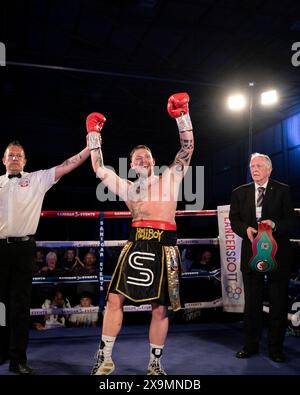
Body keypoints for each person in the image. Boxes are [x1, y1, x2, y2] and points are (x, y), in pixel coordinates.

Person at [87, 92, 194, 375]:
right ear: (132, 164)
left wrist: (183, 116)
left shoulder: (171, 177)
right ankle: (105, 358)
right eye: (138, 158)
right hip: (136, 244)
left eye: (146, 157)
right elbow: (98, 167)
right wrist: (93, 136)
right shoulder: (126, 187)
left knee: (160, 308)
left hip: (165, 245)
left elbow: (187, 149)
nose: (143, 160)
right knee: (114, 299)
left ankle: (155, 363)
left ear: (153, 160)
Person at [0, 140, 90, 374]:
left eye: (19, 156)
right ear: (3, 160)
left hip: (24, 249)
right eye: (11, 155)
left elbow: (66, 165)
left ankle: (17, 360)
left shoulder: (37, 179)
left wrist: (89, 148)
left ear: (25, 161)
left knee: (19, 307)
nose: (15, 159)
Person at [229, 153, 296, 363]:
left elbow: (291, 220)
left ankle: (276, 349)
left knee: (278, 304)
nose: (254, 169)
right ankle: (251, 345)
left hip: (278, 255)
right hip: (251, 253)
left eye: (258, 166)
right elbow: (234, 219)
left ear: (269, 169)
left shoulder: (283, 190)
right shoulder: (239, 193)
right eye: (252, 166)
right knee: (252, 304)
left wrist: (275, 226)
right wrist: (245, 229)